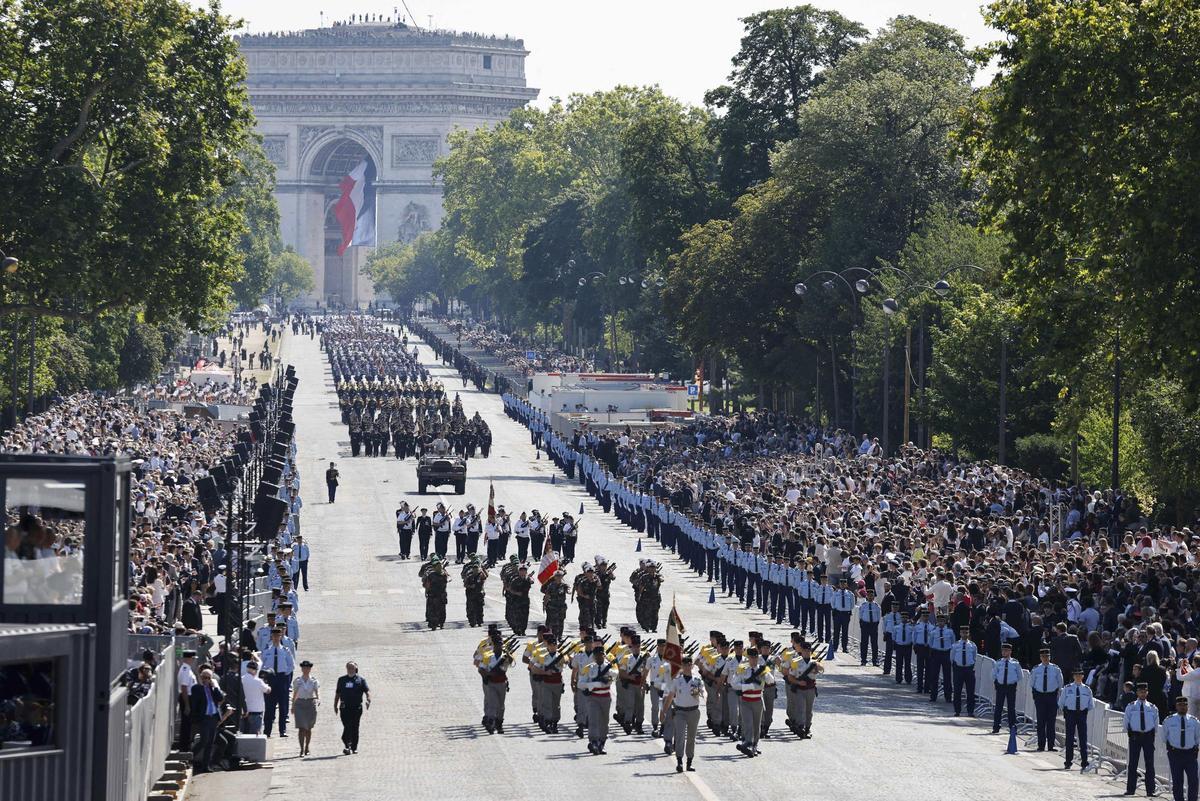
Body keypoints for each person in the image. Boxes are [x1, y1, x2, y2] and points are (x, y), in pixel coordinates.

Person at [663, 655, 705, 773]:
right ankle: (679, 761)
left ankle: (689, 762)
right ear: (682, 666)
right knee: (680, 736)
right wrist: (664, 712)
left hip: (693, 711)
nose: (687, 667)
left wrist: (704, 696)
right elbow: (670, 697)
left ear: (691, 666)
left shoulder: (697, 680)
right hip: (680, 712)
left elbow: (703, 690)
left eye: (689, 664)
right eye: (685, 665)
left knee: (691, 737)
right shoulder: (677, 681)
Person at [1162, 695, 1200, 801]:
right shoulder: (1169, 720)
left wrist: (1194, 748)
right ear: (1176, 706)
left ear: (1187, 706)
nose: (1182, 707)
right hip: (1175, 754)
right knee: (1177, 780)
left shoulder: (1194, 721)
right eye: (1180, 705)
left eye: (1184, 705)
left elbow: (1197, 737)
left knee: (1193, 780)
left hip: (1190, 754)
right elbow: (1164, 737)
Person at [1124, 682, 1159, 796]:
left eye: (1145, 692)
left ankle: (1150, 790)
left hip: (1148, 736)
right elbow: (1126, 721)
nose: (1143, 694)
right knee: (1133, 763)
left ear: (1147, 693)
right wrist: (1129, 733)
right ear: (1137, 693)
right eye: (1140, 692)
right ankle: (1130, 789)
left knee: (1150, 764)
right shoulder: (1131, 706)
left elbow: (1155, 723)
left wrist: (1152, 735)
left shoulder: (1153, 707)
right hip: (1135, 736)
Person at [579, 646, 614, 755]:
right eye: (597, 655)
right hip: (593, 697)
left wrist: (607, 678)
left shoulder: (610, 668)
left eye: (601, 655)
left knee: (604, 721)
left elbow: (615, 676)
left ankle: (602, 743)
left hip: (605, 697)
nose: (599, 657)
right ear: (594, 656)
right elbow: (580, 684)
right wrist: (593, 685)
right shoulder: (588, 668)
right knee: (593, 720)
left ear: (604, 655)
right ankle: (593, 741)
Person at [262, 627, 295, 737]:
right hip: (271, 679)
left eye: (278, 636)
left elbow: (291, 665)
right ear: (272, 637)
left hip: (282, 678)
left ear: (281, 636)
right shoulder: (267, 651)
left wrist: (285, 674)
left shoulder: (285, 650)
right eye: (274, 636)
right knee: (269, 706)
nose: (276, 638)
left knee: (283, 705)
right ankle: (267, 731)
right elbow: (262, 665)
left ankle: (282, 730)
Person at [1029, 647, 1064, 752]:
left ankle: (1051, 745)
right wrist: (1035, 695)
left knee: (1051, 721)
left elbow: (1060, 683)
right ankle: (1041, 745)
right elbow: (1032, 683)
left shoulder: (1056, 669)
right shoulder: (1036, 669)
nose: (1045, 658)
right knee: (1041, 721)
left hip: (1051, 696)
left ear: (1050, 657)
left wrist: (1057, 694)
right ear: (1040, 657)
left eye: (1047, 656)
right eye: (1043, 657)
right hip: (1040, 696)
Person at [190, 669, 225, 773]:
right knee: (203, 740)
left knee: (210, 742)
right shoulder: (197, 688)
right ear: (201, 677)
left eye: (208, 678)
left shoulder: (212, 688)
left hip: (213, 717)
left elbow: (220, 698)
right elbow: (195, 704)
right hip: (204, 717)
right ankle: (189, 757)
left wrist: (215, 687)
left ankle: (206, 766)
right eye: (204, 677)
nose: (206, 680)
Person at [1059, 667, 1093, 771]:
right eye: (1076, 675)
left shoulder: (1087, 689)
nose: (1078, 677)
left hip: (1082, 714)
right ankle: (1068, 762)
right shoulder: (1067, 688)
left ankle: (1084, 762)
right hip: (1070, 714)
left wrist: (1083, 710)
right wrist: (1067, 710)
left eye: (1080, 675)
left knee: (1083, 739)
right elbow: (1061, 703)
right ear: (1073, 676)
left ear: (1083, 676)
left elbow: (1090, 705)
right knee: (1069, 739)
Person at [334, 661, 371, 755]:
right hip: (344, 707)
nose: (350, 669)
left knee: (355, 727)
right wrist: (335, 705)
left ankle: (352, 747)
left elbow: (367, 691)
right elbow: (338, 693)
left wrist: (368, 700)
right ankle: (347, 742)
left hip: (356, 708)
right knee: (347, 726)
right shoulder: (342, 680)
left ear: (356, 669)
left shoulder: (361, 680)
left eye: (352, 667)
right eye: (348, 667)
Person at [292, 660, 320, 757]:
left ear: (310, 669)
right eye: (304, 668)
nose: (306, 670)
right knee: (301, 728)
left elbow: (317, 691)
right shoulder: (297, 680)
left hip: (310, 703)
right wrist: (292, 705)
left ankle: (307, 746)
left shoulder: (314, 680)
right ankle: (301, 749)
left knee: (308, 728)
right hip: (300, 704)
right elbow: (295, 693)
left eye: (307, 668)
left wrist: (318, 698)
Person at [992, 642, 1021, 734]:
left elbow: (1020, 676)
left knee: (1011, 708)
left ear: (1010, 652)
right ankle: (996, 726)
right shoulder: (998, 662)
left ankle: (1012, 726)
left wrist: (1013, 681)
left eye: (1006, 651)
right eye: (1003, 650)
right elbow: (994, 674)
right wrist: (997, 682)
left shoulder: (1015, 663)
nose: (1004, 652)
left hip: (1011, 687)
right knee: (998, 707)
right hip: (1001, 686)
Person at [950, 625, 977, 717]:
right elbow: (952, 658)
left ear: (968, 633)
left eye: (966, 632)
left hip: (969, 669)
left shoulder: (973, 645)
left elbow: (974, 657)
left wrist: (971, 666)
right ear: (960, 633)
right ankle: (957, 710)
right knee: (957, 691)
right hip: (959, 669)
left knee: (970, 691)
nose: (964, 634)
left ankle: (970, 711)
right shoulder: (955, 645)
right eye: (963, 632)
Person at [240, 661, 270, 735]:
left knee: (243, 735)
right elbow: (268, 690)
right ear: (255, 670)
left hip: (244, 711)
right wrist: (268, 685)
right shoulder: (259, 681)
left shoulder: (241, 679)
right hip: (256, 712)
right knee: (255, 736)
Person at [177, 649, 198, 749]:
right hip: (187, 698)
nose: (194, 660)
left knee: (188, 723)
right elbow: (184, 688)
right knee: (186, 724)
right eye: (193, 658)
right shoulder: (185, 670)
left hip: (190, 697)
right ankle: (184, 746)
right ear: (190, 658)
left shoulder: (187, 669)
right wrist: (187, 705)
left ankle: (186, 745)